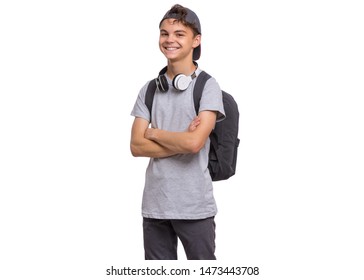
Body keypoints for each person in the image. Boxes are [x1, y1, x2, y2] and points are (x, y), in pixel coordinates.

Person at [130, 4, 225, 260]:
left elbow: (194, 144)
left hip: (195, 208)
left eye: (179, 34)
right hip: (154, 208)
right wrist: (181, 138)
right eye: (164, 33)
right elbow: (136, 147)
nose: (169, 39)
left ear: (196, 40)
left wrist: (154, 133)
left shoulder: (207, 87)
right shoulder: (149, 89)